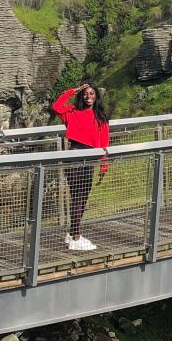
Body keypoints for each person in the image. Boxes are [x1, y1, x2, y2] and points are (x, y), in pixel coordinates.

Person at [52, 83, 110, 252]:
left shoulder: (101, 117)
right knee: (77, 195)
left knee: (82, 197)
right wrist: (74, 90)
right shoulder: (72, 112)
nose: (88, 96)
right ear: (81, 96)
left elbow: (105, 143)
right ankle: (76, 236)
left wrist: (104, 166)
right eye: (85, 94)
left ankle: (72, 233)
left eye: (91, 93)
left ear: (96, 96)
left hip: (90, 159)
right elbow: (56, 106)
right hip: (75, 156)